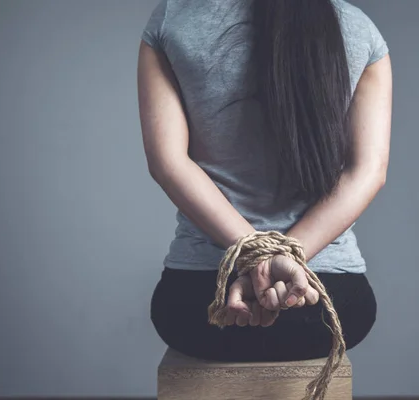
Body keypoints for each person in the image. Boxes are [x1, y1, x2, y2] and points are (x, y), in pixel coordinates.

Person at [137, 0, 392, 362]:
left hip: (201, 305)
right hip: (324, 301)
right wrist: (278, 262)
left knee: (179, 312)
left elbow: (168, 163)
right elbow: (367, 173)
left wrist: (256, 257)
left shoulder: (173, 18)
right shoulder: (361, 28)